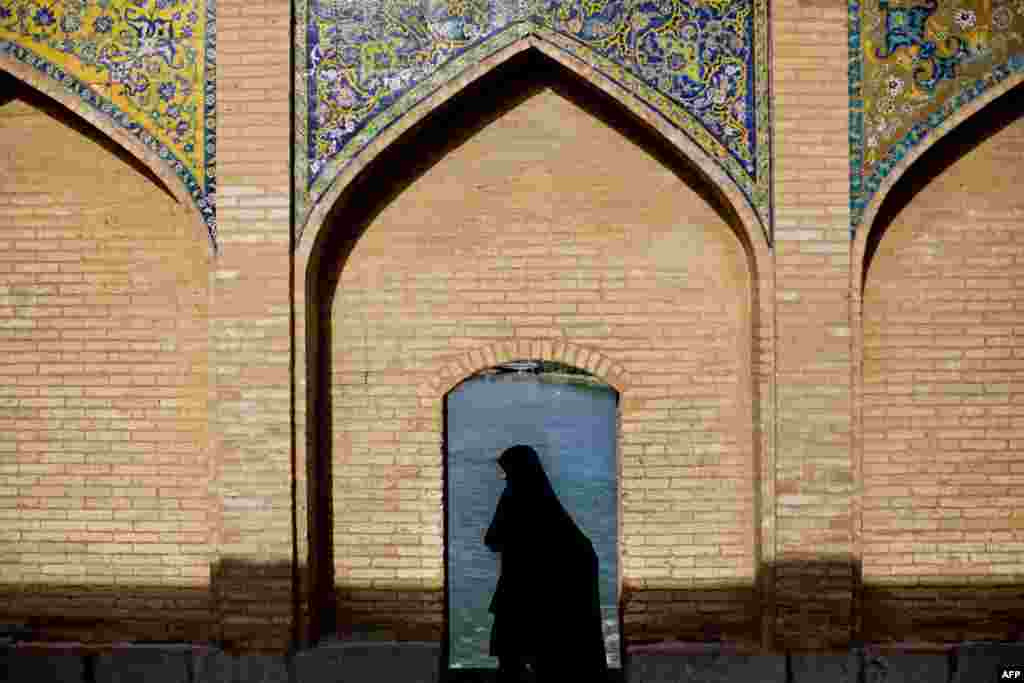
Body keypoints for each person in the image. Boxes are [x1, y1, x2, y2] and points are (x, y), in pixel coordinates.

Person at [484, 444, 608, 682]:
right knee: (546, 655)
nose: (504, 476)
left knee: (512, 656)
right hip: (547, 594)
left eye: (507, 471)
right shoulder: (546, 502)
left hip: (520, 587)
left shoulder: (513, 496)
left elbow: (493, 538)